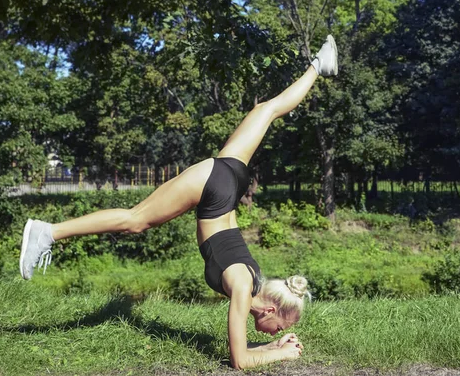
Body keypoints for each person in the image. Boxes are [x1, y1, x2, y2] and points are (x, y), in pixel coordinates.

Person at [19, 35, 338, 369]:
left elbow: (245, 348)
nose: (283, 331)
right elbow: (240, 361)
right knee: (135, 220)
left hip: (228, 179)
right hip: (216, 192)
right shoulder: (244, 288)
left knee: (267, 109)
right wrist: (282, 352)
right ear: (271, 311)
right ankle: (47, 231)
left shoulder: (253, 282)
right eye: (283, 327)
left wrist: (272, 344)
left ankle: (318, 64)